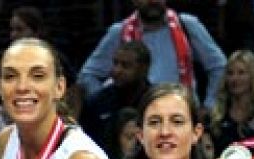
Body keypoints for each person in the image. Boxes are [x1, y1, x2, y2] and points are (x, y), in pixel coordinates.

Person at [78, 0, 227, 107]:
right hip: (135, 116)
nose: (152, 1)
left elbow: (219, 66)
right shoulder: (119, 32)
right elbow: (87, 75)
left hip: (182, 111)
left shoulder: (186, 25)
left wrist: (210, 105)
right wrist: (107, 103)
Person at [84, 41, 153, 159]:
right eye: (115, 63)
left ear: (143, 69)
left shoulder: (156, 102)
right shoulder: (96, 102)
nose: (117, 70)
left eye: (125, 66)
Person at [208, 50, 254, 153]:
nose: (234, 78)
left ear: (252, 76)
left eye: (241, 73)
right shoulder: (218, 115)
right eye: (230, 73)